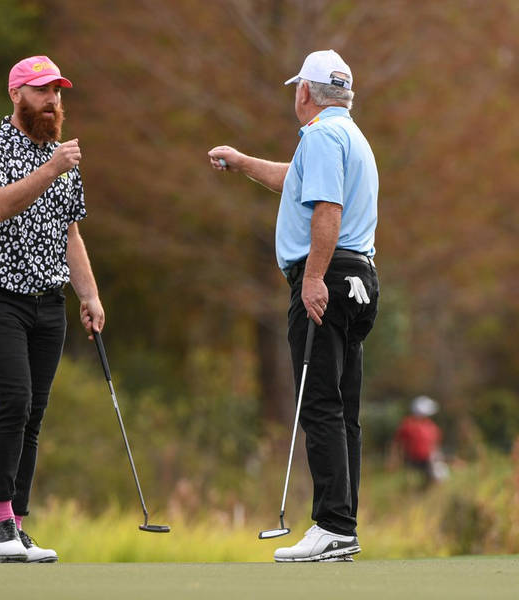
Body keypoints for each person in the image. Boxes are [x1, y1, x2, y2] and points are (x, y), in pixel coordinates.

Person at [209, 49, 379, 562]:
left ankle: (331, 524)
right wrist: (241, 163)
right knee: (343, 407)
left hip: (327, 277)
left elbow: (327, 209)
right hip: (359, 280)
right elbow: (296, 181)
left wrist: (311, 279)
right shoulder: (348, 136)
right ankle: (342, 524)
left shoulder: (322, 136)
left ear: (305, 91)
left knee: (321, 403)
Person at [0, 55, 105, 563]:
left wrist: (88, 294)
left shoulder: (63, 157)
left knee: (35, 415)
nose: (53, 100)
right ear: (17, 95)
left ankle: (17, 527)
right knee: (14, 402)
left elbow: (71, 234)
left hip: (50, 304)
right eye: (43, 91)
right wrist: (50, 168)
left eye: (58, 92)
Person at [391, 396, 448, 486]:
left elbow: (436, 446)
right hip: (412, 460)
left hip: (428, 460)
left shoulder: (431, 426)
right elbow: (397, 443)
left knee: (438, 473)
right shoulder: (408, 424)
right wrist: (394, 459)